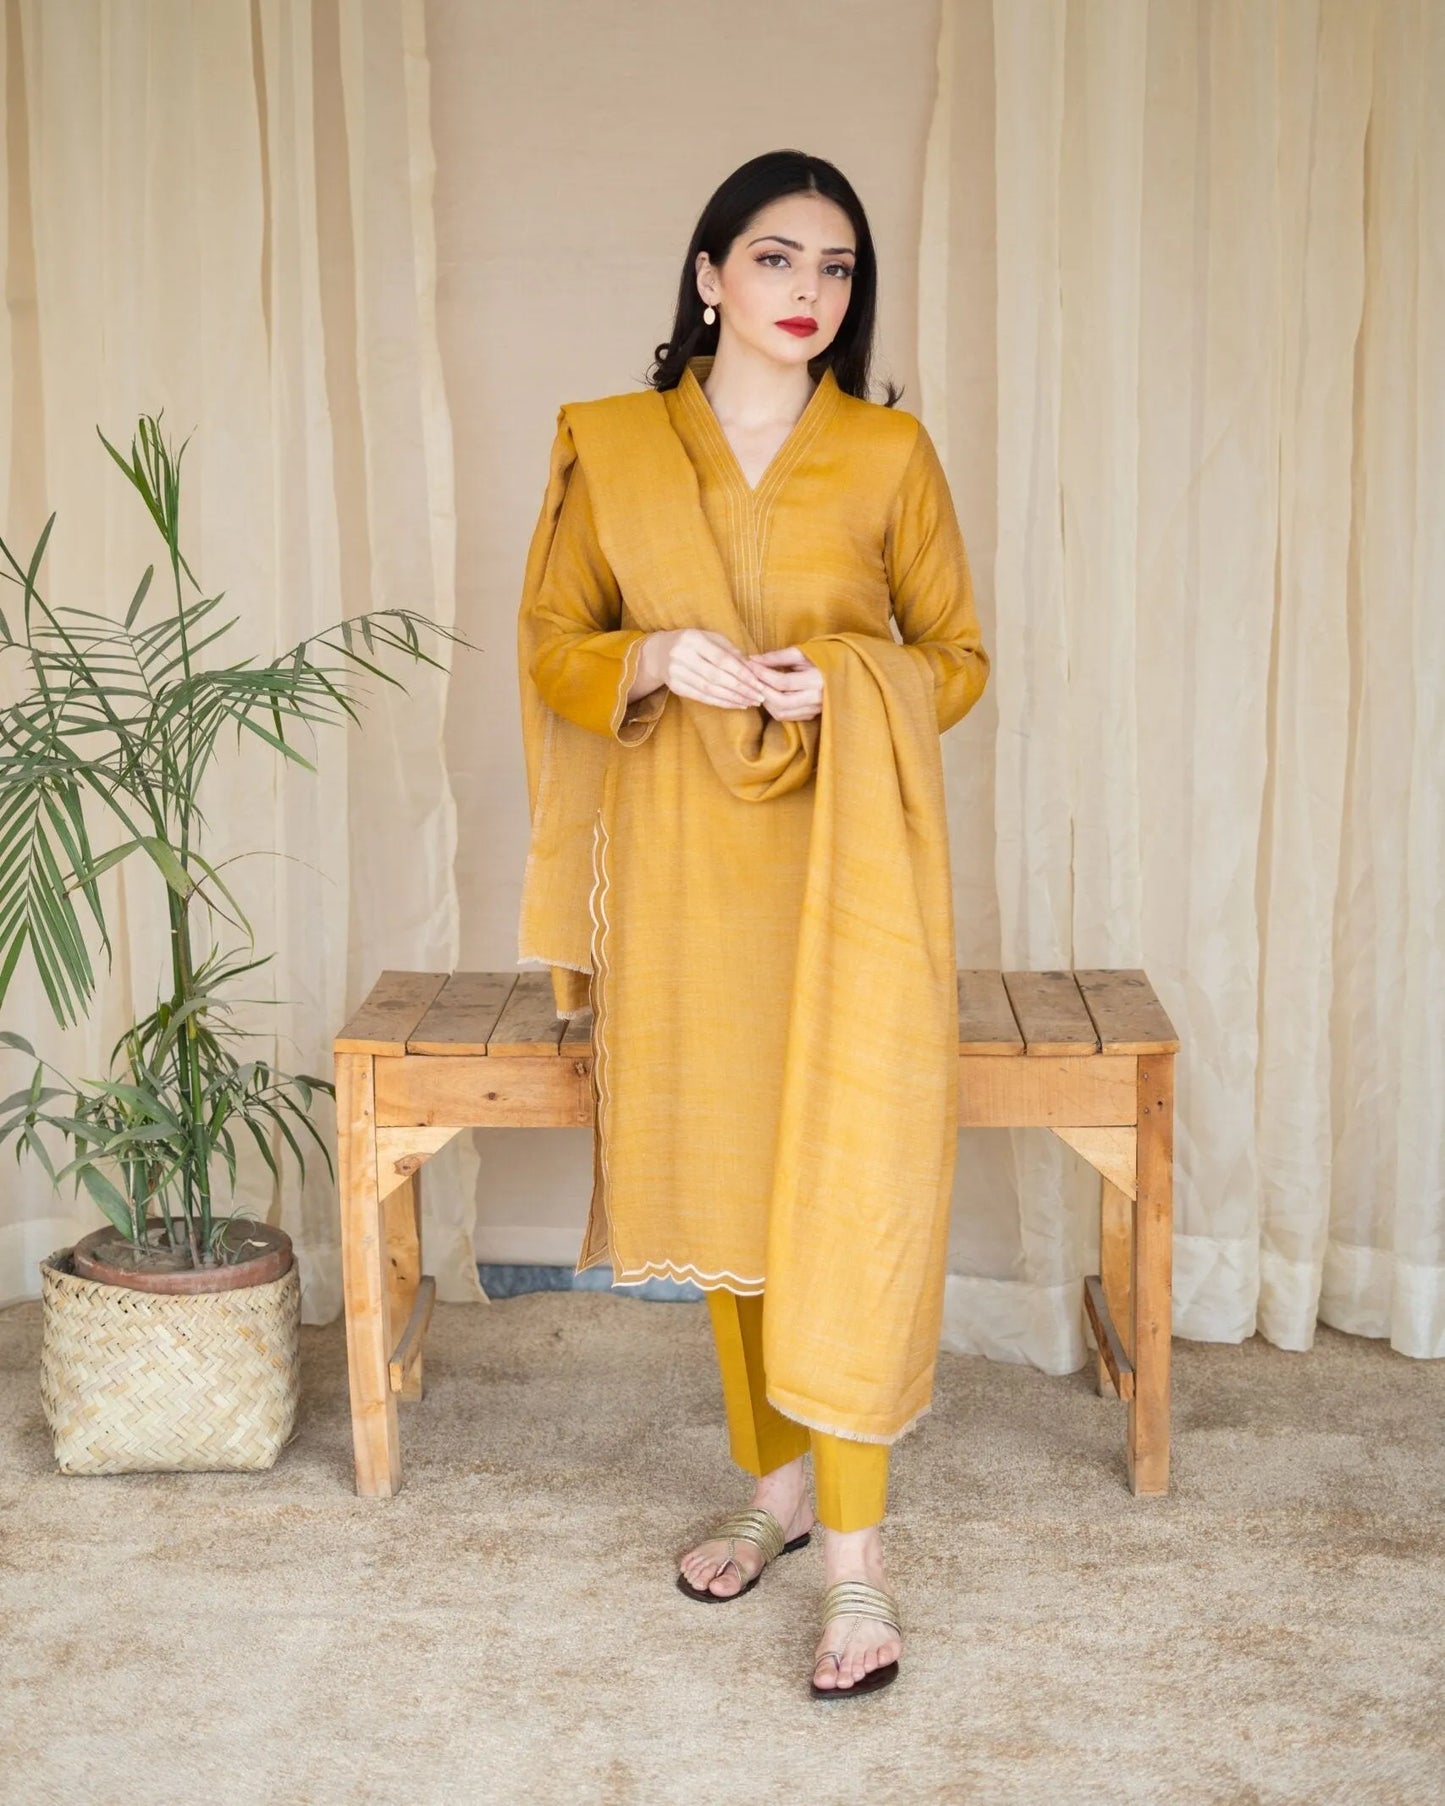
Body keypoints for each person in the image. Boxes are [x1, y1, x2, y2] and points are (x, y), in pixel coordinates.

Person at [516, 149, 990, 1698]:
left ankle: (857, 1561)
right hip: (678, 865)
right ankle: (774, 1492)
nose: (809, 293)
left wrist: (845, 683)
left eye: (837, 269)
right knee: (728, 1177)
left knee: (844, 1178)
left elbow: (959, 654)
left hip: (849, 865)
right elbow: (552, 641)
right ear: (708, 273)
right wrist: (651, 656)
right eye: (777, 260)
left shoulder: (886, 453)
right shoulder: (607, 442)